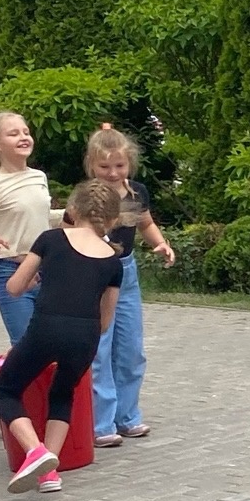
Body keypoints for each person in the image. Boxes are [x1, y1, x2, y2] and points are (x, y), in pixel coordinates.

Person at [0, 182, 122, 493]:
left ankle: (35, 451)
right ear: (113, 220)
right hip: (86, 336)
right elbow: (106, 321)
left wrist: (38, 278)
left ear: (72, 211)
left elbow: (13, 288)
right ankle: (49, 473)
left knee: (6, 391)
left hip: (47, 327)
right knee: (62, 394)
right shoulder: (113, 261)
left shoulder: (51, 239)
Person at [83, 126, 175, 446]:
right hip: (96, 273)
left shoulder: (137, 192)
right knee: (100, 350)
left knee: (132, 349)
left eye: (119, 166)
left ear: (129, 164)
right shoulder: (89, 196)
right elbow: (75, 233)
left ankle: (128, 415)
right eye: (104, 167)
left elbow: (146, 223)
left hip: (127, 273)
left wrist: (160, 244)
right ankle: (101, 423)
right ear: (92, 165)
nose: (112, 173)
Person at [0, 111, 56, 347]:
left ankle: (50, 386)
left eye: (26, 132)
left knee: (52, 341)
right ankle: (18, 384)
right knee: (25, 344)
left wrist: (76, 216)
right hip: (10, 270)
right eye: (13, 134)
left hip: (46, 269)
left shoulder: (39, 177)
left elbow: (43, 217)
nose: (23, 137)